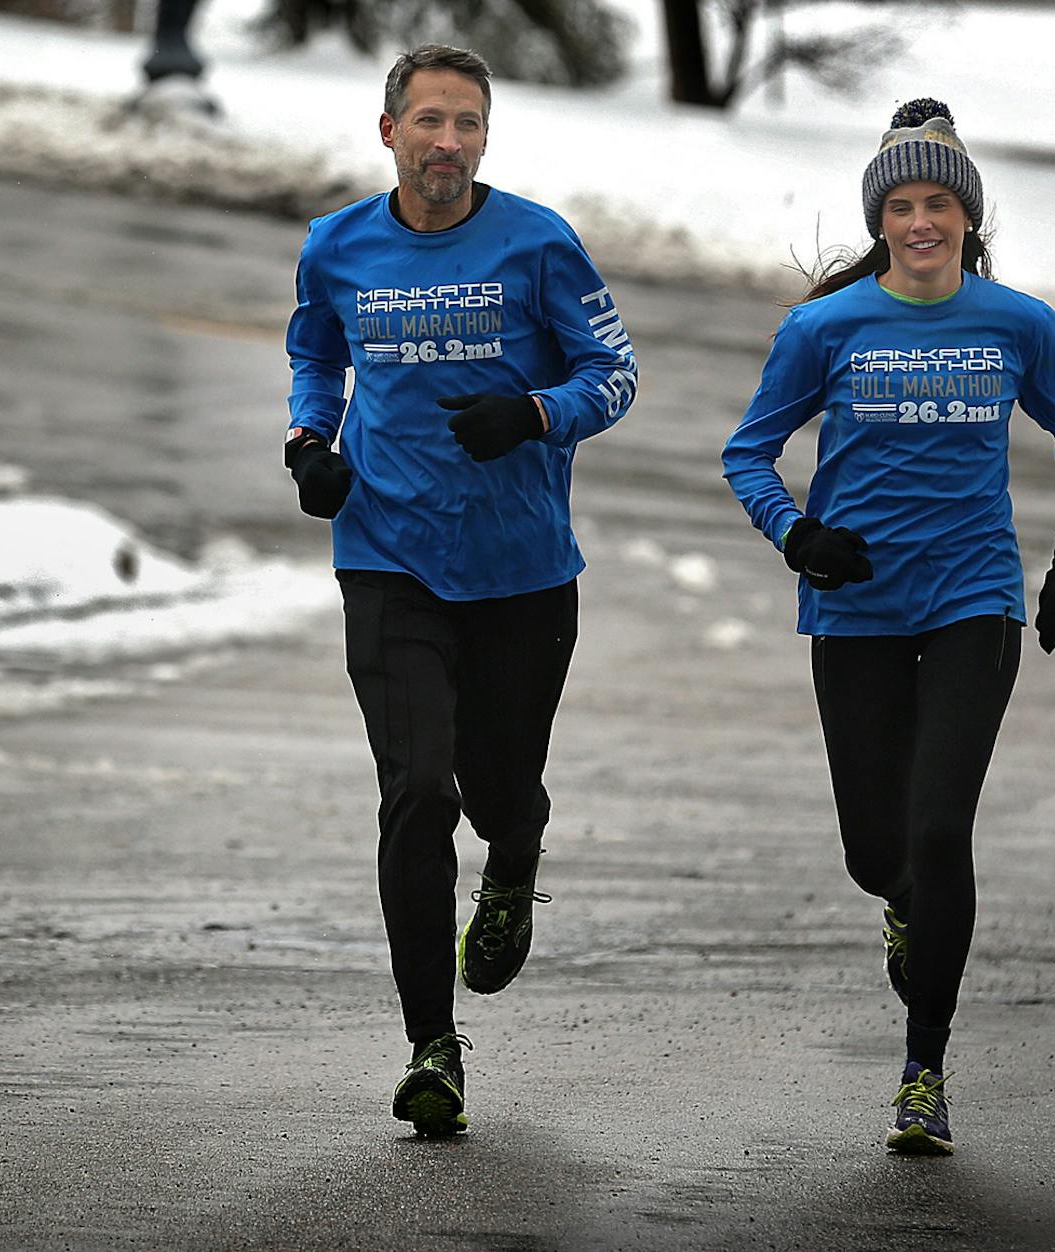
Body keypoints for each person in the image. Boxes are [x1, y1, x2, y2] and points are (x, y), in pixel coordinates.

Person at [721, 98, 1055, 1155]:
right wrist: (798, 536)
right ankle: (901, 899)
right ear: (881, 220)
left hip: (972, 602)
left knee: (940, 829)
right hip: (854, 607)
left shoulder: (1021, 324)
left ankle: (923, 1071)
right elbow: (746, 452)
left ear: (967, 216)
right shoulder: (823, 329)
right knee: (876, 851)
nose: (921, 222)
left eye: (939, 203)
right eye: (902, 206)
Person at [281, 44, 639, 1138]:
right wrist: (310, 444)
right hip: (387, 554)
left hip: (521, 569)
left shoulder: (539, 242)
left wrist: (533, 413)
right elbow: (316, 357)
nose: (448, 142)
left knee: (494, 787)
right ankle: (431, 1044)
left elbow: (615, 374)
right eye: (430, 121)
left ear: (485, 138)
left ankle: (515, 853)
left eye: (468, 123)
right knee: (417, 790)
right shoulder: (336, 245)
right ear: (389, 131)